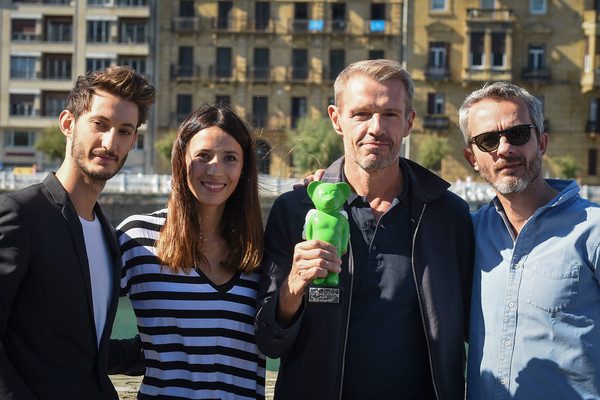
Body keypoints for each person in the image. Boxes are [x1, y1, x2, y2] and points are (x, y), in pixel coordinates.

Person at [255, 59, 474, 399]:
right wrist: (294, 285)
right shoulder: (295, 210)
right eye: (361, 114)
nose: (376, 128)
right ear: (336, 119)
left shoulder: (448, 215)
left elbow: (482, 327)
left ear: (409, 122)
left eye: (390, 114)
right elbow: (269, 340)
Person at [0, 65, 156, 399]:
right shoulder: (20, 215)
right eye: (100, 124)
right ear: (68, 124)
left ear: (133, 141)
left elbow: (84, 348)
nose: (110, 141)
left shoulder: (109, 236)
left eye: (124, 131)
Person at [460, 81, 600, 399]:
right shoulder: (468, 233)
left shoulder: (593, 232)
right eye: (488, 140)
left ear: (542, 142)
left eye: (518, 133)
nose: (505, 148)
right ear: (472, 157)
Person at [117, 104, 266, 399]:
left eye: (230, 158)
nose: (216, 169)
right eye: (203, 156)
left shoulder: (262, 248)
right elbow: (79, 322)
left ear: (244, 168)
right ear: (180, 159)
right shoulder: (138, 238)